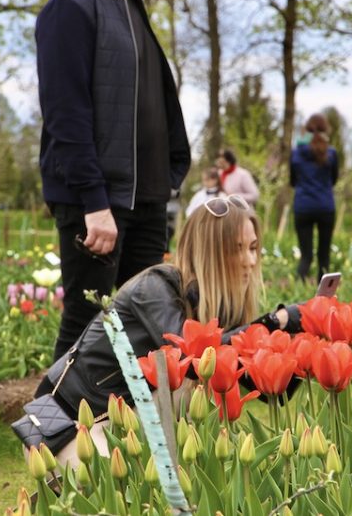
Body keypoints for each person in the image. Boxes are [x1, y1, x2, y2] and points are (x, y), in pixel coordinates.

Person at [30, 196, 303, 466]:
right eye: (237, 249)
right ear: (209, 253)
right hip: (65, 422)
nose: (250, 260)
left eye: (254, 248)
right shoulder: (155, 287)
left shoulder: (215, 309)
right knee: (185, 378)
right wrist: (273, 322)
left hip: (124, 422)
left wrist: (304, 343)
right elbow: (192, 356)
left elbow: (269, 391)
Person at [36, 0, 191, 361]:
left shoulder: (130, 7)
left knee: (140, 330)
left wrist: (168, 177)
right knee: (89, 329)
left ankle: (117, 433)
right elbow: (67, 117)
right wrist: (94, 202)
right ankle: (48, 431)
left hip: (142, 204)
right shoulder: (72, 7)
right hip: (100, 207)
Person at [290, 113, 338, 284]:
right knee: (324, 255)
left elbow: (293, 181)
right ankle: (323, 296)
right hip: (325, 207)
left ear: (307, 130)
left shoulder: (296, 154)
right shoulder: (331, 154)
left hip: (303, 207)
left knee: (306, 256)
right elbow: (333, 180)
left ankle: (296, 292)